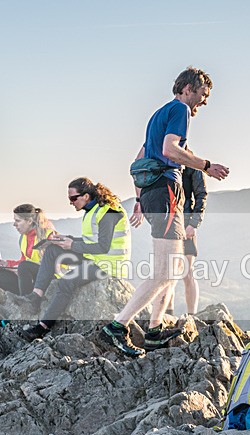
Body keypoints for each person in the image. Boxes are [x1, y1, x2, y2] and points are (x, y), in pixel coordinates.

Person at [100, 67, 229, 356]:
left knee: (173, 268)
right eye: (202, 95)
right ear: (187, 88)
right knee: (164, 271)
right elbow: (171, 151)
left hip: (155, 192)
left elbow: (139, 160)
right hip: (167, 190)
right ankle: (117, 327)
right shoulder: (180, 110)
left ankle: (156, 329)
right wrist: (206, 165)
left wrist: (139, 199)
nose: (203, 102)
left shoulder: (158, 114)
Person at [20, 178, 130, 340]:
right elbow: (91, 241)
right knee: (52, 250)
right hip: (93, 257)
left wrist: (72, 245)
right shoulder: (92, 210)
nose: (71, 203)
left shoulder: (108, 212)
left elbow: (103, 247)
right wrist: (66, 240)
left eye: (73, 198)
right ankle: (35, 297)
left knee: (66, 281)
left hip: (108, 265)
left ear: (86, 196)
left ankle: (42, 327)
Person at [165, 166, 208, 316]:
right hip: (168, 224)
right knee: (168, 273)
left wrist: (193, 224)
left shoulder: (193, 167)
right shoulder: (166, 164)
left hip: (186, 223)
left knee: (187, 273)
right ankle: (168, 315)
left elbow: (201, 195)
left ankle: (192, 317)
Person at [0, 204, 57, 295]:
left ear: (29, 221)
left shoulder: (49, 235)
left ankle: (26, 302)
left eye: (18, 221)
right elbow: (24, 261)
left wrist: (22, 268)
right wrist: (7, 264)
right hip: (34, 276)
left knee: (24, 266)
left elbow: (56, 264)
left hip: (51, 277)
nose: (14, 224)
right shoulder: (23, 238)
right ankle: (26, 297)